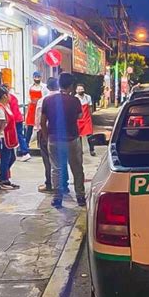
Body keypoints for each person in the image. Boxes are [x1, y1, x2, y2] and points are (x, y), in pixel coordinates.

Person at [41, 72, 86, 208]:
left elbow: (42, 122)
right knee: (77, 167)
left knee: (56, 168)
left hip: (54, 139)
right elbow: (79, 116)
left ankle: (57, 197)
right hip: (72, 139)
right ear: (71, 86)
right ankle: (80, 196)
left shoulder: (47, 100)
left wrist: (46, 137)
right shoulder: (75, 101)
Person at [35, 77, 61, 193]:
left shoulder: (43, 100)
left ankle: (49, 184)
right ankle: (61, 184)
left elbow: (39, 120)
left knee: (47, 160)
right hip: (61, 132)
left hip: (46, 132)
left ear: (48, 87)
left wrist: (41, 134)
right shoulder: (64, 99)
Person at [0, 86, 19, 190]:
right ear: (4, 96)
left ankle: (3, 177)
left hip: (10, 138)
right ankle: (4, 180)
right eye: (8, 94)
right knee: (5, 159)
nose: (10, 96)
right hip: (3, 138)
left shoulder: (6, 106)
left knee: (12, 158)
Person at [25, 71, 46, 148]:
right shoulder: (30, 86)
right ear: (33, 78)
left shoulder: (44, 87)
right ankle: (26, 144)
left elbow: (45, 97)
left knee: (40, 126)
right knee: (29, 127)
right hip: (31, 108)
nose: (37, 79)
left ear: (41, 77)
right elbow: (28, 97)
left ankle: (40, 144)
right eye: (35, 77)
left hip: (40, 107)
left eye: (38, 77)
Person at [8, 89, 31, 162]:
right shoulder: (13, 97)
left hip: (15, 119)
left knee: (19, 135)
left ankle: (25, 152)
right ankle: (23, 151)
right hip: (18, 118)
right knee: (19, 135)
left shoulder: (8, 98)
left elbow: (12, 111)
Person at [75, 84, 96, 156]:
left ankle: (92, 150)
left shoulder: (88, 97)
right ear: (76, 90)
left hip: (87, 119)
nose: (80, 90)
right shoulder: (75, 98)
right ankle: (80, 150)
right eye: (79, 89)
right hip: (78, 119)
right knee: (79, 136)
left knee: (90, 135)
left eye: (81, 89)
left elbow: (90, 107)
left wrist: (90, 116)